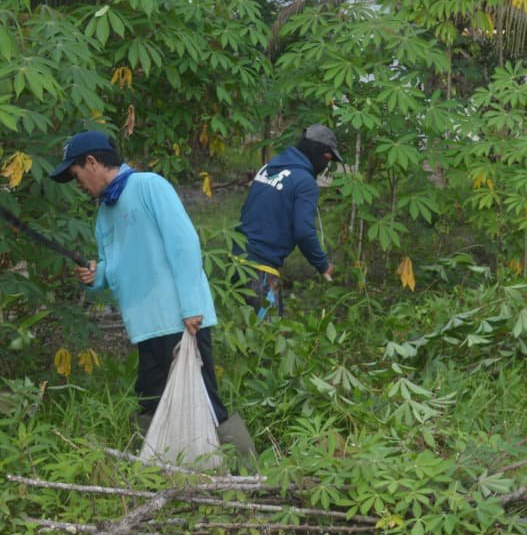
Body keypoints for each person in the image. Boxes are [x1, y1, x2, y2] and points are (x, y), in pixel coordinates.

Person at [49, 130, 256, 462]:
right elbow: (117, 266)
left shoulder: (148, 186)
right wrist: (96, 275)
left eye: (76, 175)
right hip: (145, 325)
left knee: (205, 399)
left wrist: (191, 306)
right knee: (150, 400)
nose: (79, 185)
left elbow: (184, 244)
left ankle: (246, 470)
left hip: (181, 318)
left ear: (92, 162)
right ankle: (159, 470)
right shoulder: (104, 213)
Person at [235, 124, 342, 318]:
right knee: (268, 335)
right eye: (327, 159)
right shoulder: (305, 182)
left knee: (242, 331)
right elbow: (304, 232)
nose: (326, 166)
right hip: (261, 268)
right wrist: (322, 264)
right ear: (318, 152)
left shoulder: (269, 167)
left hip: (236, 260)